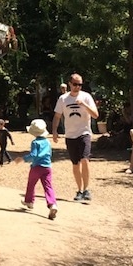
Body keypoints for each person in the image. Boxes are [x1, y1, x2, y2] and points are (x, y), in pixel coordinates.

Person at [52, 73, 99, 202]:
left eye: (80, 84)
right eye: (75, 84)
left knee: (85, 160)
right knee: (75, 163)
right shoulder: (63, 99)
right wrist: (54, 131)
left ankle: (86, 189)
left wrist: (84, 104)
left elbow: (95, 115)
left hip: (84, 133)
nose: (77, 87)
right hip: (70, 135)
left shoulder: (86, 97)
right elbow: (57, 116)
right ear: (70, 84)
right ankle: (79, 190)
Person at [22, 119, 58, 219]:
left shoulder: (35, 142)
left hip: (36, 167)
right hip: (47, 167)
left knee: (31, 184)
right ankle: (52, 204)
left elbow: (33, 155)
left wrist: (24, 158)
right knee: (48, 186)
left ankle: (29, 201)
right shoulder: (47, 142)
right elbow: (50, 153)